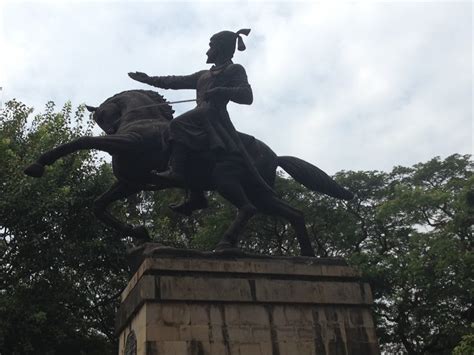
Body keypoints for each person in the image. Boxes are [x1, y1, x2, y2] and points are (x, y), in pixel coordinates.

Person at [129, 29, 271, 215]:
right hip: (200, 116)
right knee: (189, 146)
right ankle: (196, 196)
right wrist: (148, 80)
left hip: (214, 116)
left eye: (210, 47)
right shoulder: (203, 75)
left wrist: (221, 90)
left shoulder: (234, 70)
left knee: (176, 125)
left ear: (220, 48)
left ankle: (176, 171)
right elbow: (175, 81)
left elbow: (247, 96)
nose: (207, 51)